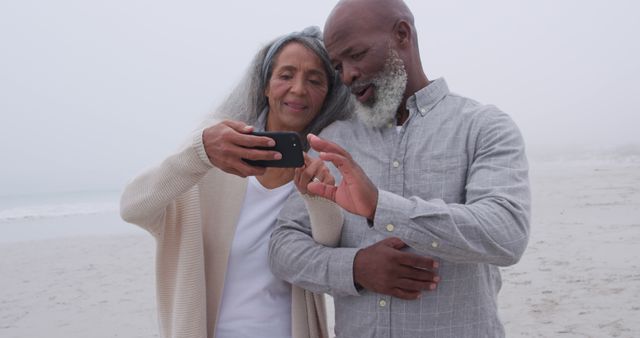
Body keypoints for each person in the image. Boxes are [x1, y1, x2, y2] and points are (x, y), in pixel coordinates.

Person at [269, 1, 531, 337]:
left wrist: (381, 206)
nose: (347, 75)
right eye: (337, 66)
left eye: (357, 54)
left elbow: (506, 234)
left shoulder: (484, 127)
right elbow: (283, 246)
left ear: (402, 34)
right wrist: (354, 268)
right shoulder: (333, 141)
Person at [120, 27, 352, 338]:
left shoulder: (324, 165)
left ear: (327, 96)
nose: (298, 89)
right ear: (265, 86)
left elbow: (327, 248)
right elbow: (132, 207)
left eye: (314, 80)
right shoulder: (211, 161)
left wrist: (318, 197)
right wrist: (199, 152)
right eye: (286, 75)